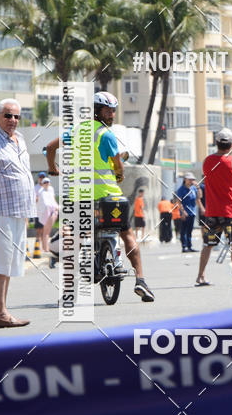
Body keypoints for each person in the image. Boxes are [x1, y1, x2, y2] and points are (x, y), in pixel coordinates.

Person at [46, 91, 154, 302]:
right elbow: (118, 165)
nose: (112, 115)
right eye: (108, 111)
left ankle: (70, 290)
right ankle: (140, 280)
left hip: (81, 198)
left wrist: (53, 169)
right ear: (96, 111)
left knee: (75, 240)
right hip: (109, 197)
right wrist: (120, 175)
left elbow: (50, 147)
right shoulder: (106, 135)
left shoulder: (75, 131)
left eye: (113, 111)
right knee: (127, 234)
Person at [0, 98, 34, 328]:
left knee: (10, 264)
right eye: (7, 115)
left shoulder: (21, 140)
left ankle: (2, 312)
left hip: (19, 211)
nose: (12, 120)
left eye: (16, 116)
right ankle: (0, 313)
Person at [195, 127, 232, 286]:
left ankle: (201, 275)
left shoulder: (207, 161)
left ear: (216, 143)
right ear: (231, 144)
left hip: (212, 211)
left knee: (208, 244)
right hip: (230, 211)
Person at [174, 173, 198, 252]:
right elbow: (178, 202)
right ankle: (184, 246)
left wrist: (198, 187)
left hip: (192, 212)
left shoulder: (193, 188)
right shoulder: (181, 189)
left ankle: (189, 246)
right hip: (185, 212)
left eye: (192, 179)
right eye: (189, 179)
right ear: (185, 180)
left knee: (190, 230)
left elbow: (199, 197)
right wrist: (183, 212)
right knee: (184, 230)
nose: (191, 181)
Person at [36, 177, 59, 254]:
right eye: (45, 182)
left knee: (47, 231)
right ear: (42, 183)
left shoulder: (51, 190)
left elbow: (53, 200)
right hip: (46, 213)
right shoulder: (41, 192)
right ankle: (45, 248)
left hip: (52, 212)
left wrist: (56, 207)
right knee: (45, 231)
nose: (47, 183)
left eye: (48, 182)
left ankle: (46, 247)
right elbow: (44, 204)